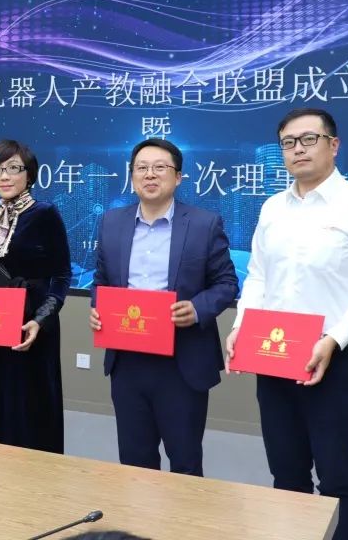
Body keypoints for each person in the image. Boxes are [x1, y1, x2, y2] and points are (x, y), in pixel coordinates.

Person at [225, 107, 348, 540]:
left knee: (337, 478)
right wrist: (241, 327)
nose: (298, 149)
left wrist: (334, 339)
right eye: (289, 142)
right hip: (274, 357)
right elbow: (259, 277)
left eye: (309, 139)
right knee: (286, 475)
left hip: (334, 360)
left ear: (333, 145)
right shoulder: (272, 208)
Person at [90, 138, 238, 475]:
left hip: (181, 362)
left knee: (185, 462)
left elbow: (227, 283)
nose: (150, 174)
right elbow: (101, 280)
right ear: (131, 176)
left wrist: (197, 309)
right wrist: (98, 308)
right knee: (134, 461)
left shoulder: (204, 224)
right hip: (127, 360)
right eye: (141, 168)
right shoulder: (112, 222)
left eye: (160, 167)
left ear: (178, 177)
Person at [0, 139, 70, 453]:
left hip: (34, 324)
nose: (4, 176)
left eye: (13, 168)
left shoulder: (46, 214)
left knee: (35, 407)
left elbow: (61, 276)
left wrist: (41, 319)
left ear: (29, 174)